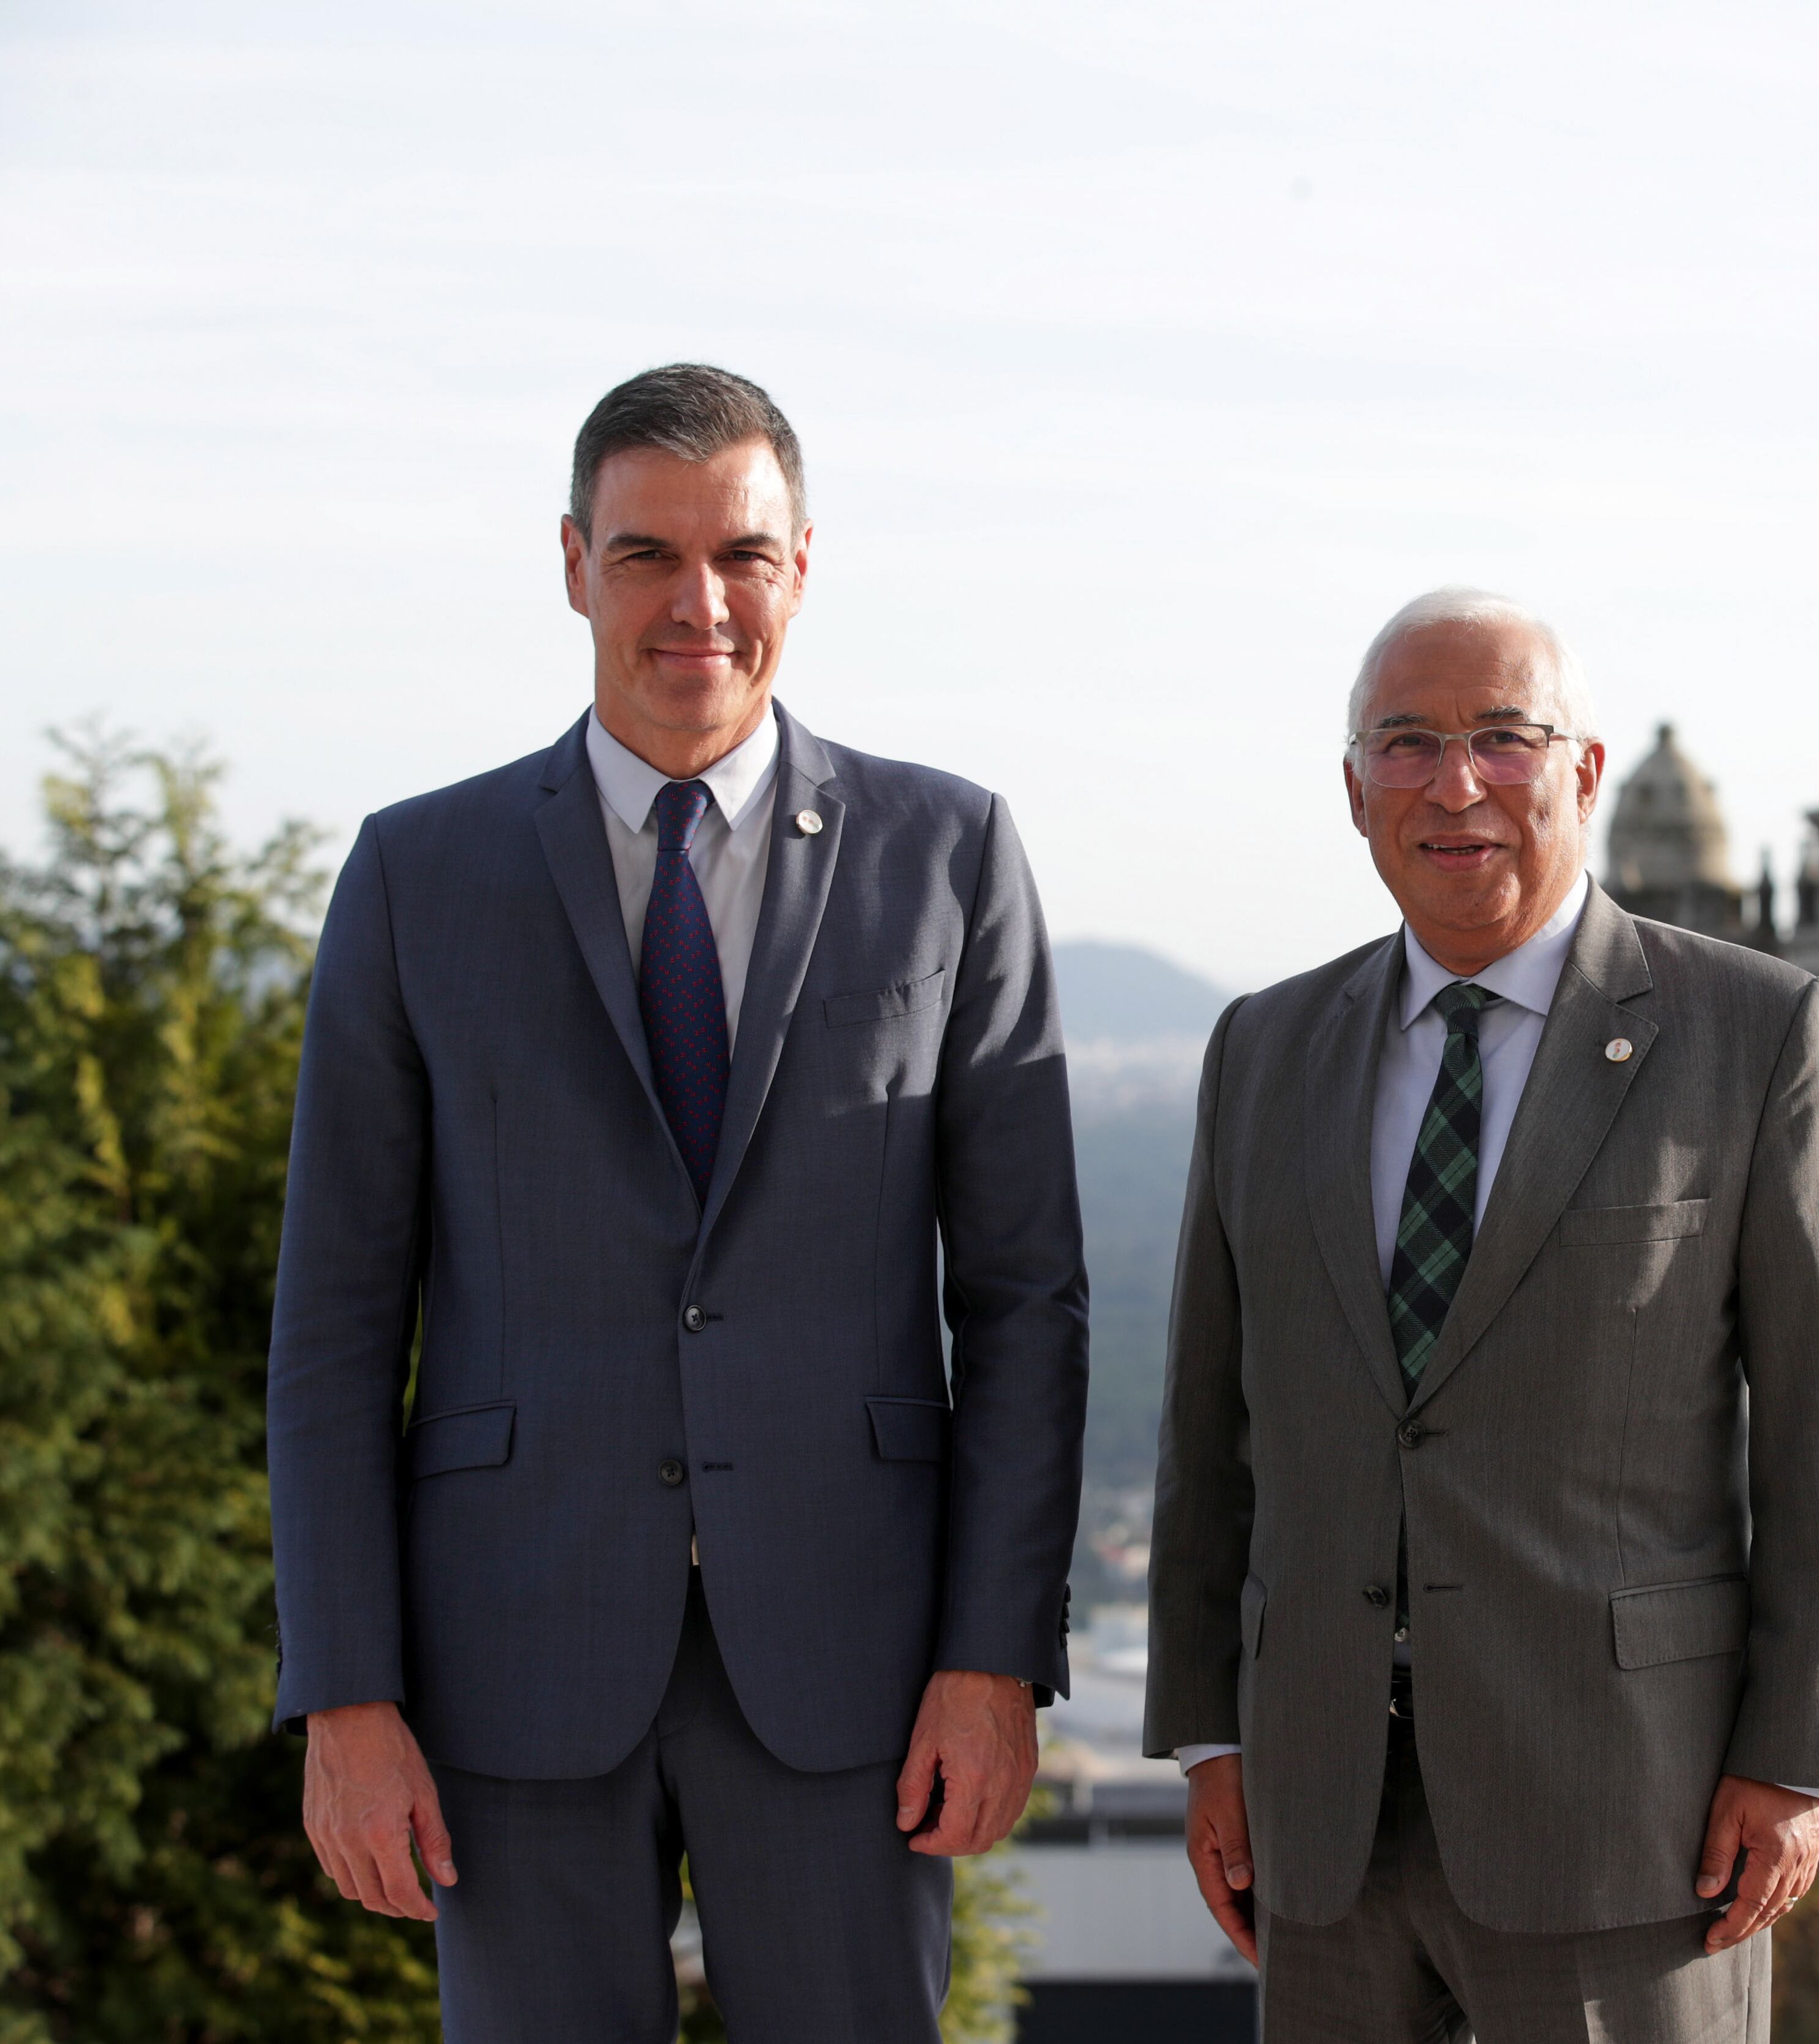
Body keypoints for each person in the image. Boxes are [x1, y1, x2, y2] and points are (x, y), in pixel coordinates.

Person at [266, 364, 1087, 2042]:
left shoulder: (950, 850)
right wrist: (344, 1690)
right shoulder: (417, 874)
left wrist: (996, 1653)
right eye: (648, 554)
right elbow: (338, 1317)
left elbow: (1024, 1299)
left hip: (859, 1660)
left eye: (742, 555)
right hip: (510, 1651)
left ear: (803, 566)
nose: (697, 603)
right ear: (573, 563)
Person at [1143, 589, 1819, 2042]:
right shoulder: (1264, 1047)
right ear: (1354, 786)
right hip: (1322, 1812)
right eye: (1409, 743)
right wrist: (1208, 1736)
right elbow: (1208, 1428)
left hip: (1637, 1809)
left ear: (1584, 772)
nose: (1456, 783)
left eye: (1503, 737)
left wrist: (1796, 1761)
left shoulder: (1755, 1033)